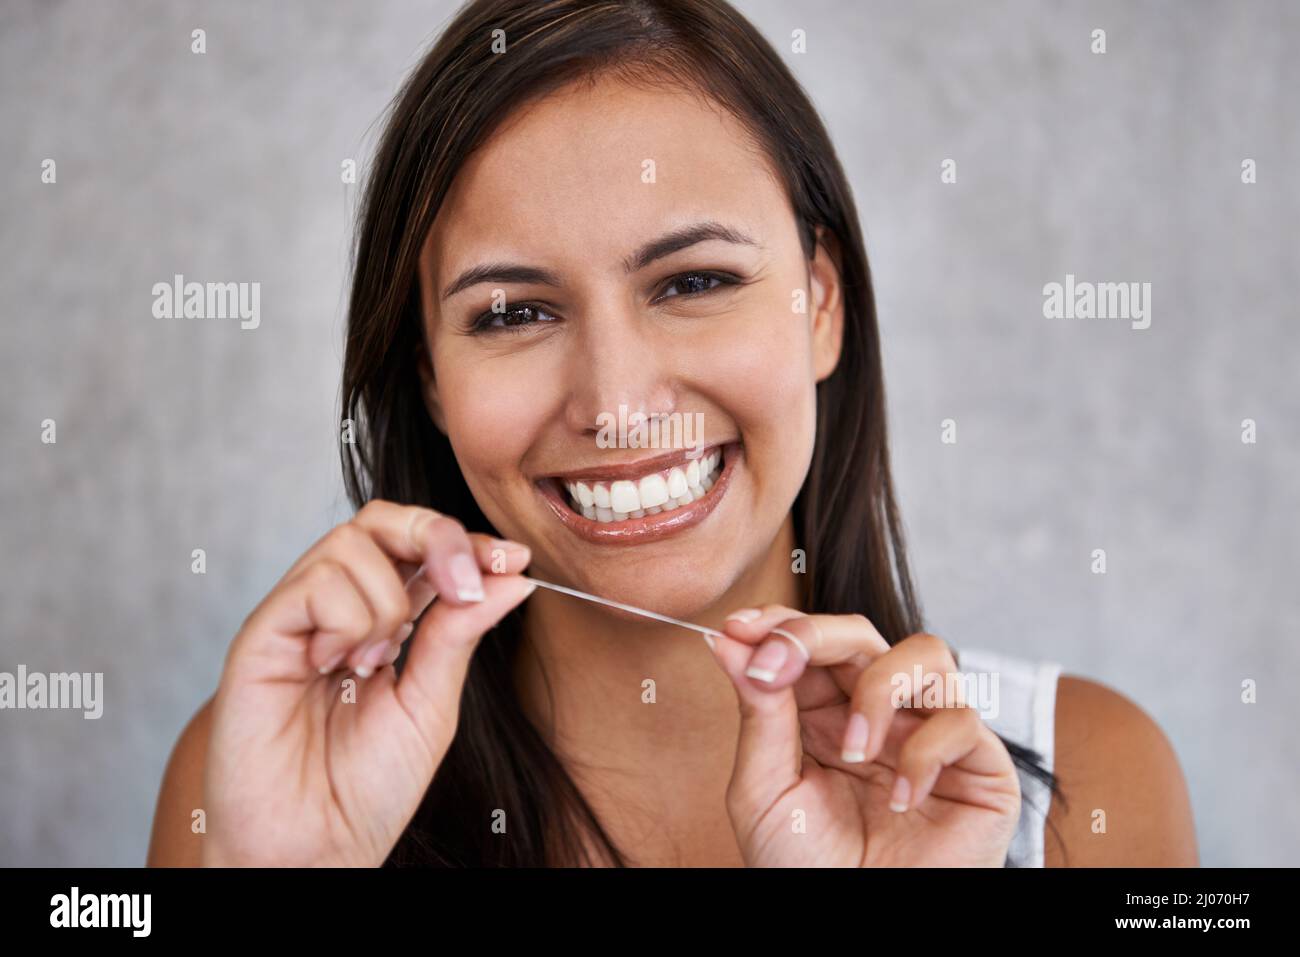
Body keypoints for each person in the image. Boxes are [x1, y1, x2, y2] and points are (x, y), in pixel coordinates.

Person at [148, 0, 1197, 867]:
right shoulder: (261, 773)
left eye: (693, 282)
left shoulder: (1085, 784)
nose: (615, 401)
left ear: (819, 305)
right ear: (427, 375)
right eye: (514, 312)